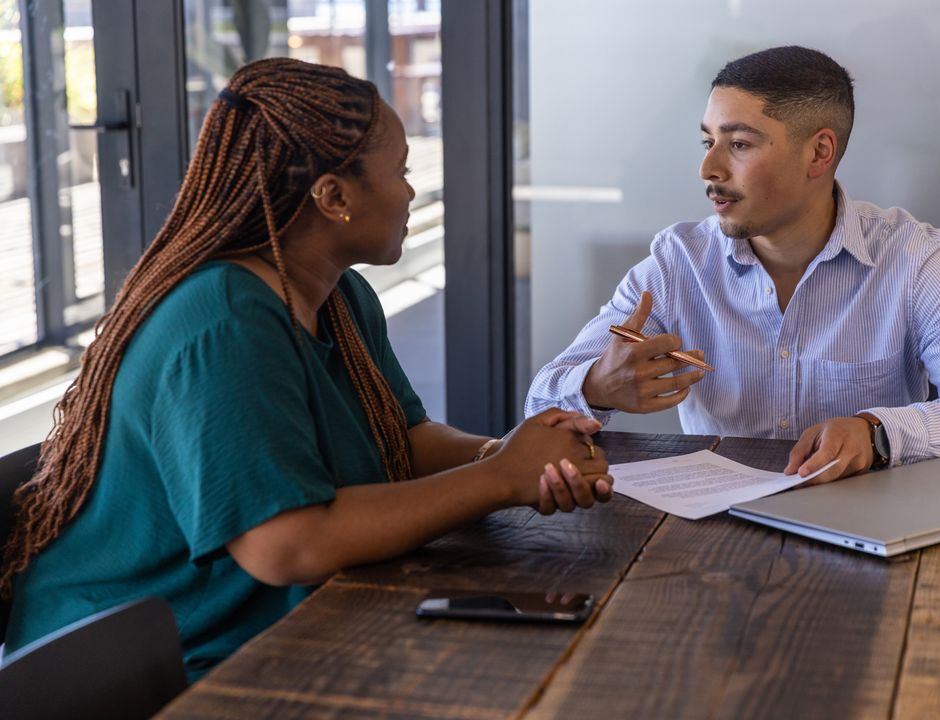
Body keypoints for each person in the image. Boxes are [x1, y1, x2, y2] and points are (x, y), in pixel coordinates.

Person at [1, 58, 611, 681]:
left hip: (286, 630)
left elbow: (402, 438)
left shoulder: (339, 297)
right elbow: (286, 546)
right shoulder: (223, 323)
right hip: (136, 672)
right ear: (333, 196)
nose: (411, 190)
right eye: (400, 170)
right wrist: (503, 478)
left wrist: (508, 454)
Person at [526, 45, 940, 484]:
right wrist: (594, 385)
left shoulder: (912, 259)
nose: (709, 169)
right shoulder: (676, 264)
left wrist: (876, 432)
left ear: (819, 153)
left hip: (868, 530)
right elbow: (539, 406)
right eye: (708, 141)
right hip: (714, 538)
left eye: (740, 144)